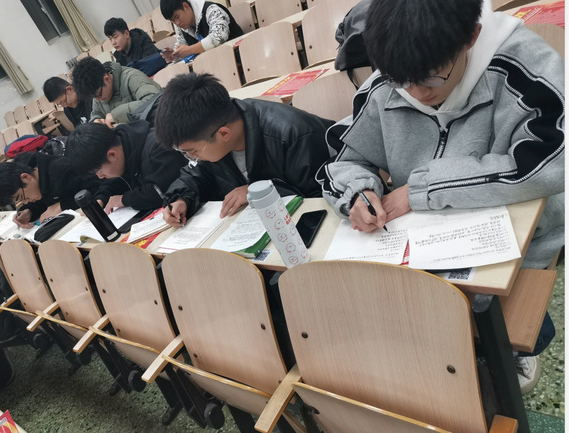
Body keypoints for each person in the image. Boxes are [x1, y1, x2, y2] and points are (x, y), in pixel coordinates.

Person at [317, 0, 564, 393]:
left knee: (512, 323)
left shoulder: (524, 67)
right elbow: (345, 160)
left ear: (471, 37)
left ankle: (519, 351)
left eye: (431, 77)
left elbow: (550, 165)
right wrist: (358, 191)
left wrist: (423, 190)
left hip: (513, 237)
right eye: (402, 81)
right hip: (427, 239)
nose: (416, 92)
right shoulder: (391, 79)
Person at [154, 73, 334, 227]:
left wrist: (258, 192)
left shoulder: (294, 134)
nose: (192, 157)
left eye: (192, 151)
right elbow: (193, 176)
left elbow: (322, 200)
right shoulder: (212, 134)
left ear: (224, 134)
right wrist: (181, 199)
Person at [65, 121, 187, 214]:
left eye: (98, 171)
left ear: (112, 155)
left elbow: (161, 193)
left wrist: (124, 199)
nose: (100, 176)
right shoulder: (123, 148)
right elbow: (118, 181)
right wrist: (101, 198)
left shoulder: (157, 148)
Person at [0, 152, 100, 227]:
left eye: (22, 197)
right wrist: (29, 211)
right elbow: (43, 202)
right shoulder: (33, 181)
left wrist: (62, 205)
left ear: (26, 177)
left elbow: (98, 187)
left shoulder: (62, 170)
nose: (26, 202)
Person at [72, 57, 161, 128]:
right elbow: (96, 113)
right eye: (94, 97)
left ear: (106, 79)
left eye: (98, 95)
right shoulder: (97, 91)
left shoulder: (132, 78)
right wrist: (96, 120)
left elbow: (154, 101)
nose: (97, 100)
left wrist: (115, 115)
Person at [159, 0, 243, 62]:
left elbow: (218, 38)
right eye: (173, 21)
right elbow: (183, 45)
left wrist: (190, 50)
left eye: (177, 17)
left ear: (186, 6)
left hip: (239, 57)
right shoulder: (182, 26)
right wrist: (176, 54)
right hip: (215, 63)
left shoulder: (212, 10)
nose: (177, 23)